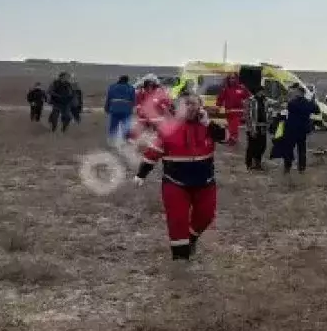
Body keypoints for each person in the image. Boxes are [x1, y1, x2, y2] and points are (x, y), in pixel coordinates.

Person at [134, 95, 226, 260]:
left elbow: (228, 139)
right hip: (175, 183)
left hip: (205, 183)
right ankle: (180, 259)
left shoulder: (208, 126)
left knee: (206, 216)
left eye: (193, 104)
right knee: (177, 220)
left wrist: (209, 124)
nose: (190, 107)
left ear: (200, 106)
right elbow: (153, 152)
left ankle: (191, 239)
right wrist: (142, 174)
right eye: (186, 104)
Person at [281, 85, 318, 175]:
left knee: (289, 149)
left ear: (299, 93)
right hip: (302, 130)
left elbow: (288, 108)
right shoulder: (308, 103)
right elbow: (316, 110)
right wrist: (313, 101)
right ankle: (301, 168)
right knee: (302, 150)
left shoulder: (292, 103)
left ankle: (287, 167)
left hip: (292, 129)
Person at [215, 74, 252, 147]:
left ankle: (233, 139)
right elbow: (220, 98)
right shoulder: (225, 88)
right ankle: (233, 138)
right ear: (228, 79)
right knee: (231, 126)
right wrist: (218, 106)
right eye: (231, 78)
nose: (232, 80)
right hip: (228, 111)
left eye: (233, 78)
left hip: (238, 111)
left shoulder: (241, 88)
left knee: (234, 125)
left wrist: (246, 103)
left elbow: (249, 96)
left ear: (236, 79)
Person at [244, 82, 272, 171]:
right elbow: (247, 115)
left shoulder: (266, 100)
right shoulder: (250, 100)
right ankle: (249, 164)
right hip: (253, 126)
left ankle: (258, 163)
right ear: (256, 92)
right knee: (252, 146)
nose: (262, 93)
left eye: (262, 91)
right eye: (260, 91)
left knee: (262, 146)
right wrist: (251, 128)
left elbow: (269, 111)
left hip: (263, 126)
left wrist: (269, 122)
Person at [104, 75, 136, 142]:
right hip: (126, 111)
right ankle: (126, 141)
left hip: (114, 110)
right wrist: (132, 109)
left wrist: (106, 108)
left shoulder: (112, 87)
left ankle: (111, 142)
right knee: (126, 126)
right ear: (127, 81)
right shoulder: (131, 88)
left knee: (113, 126)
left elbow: (108, 99)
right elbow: (133, 101)